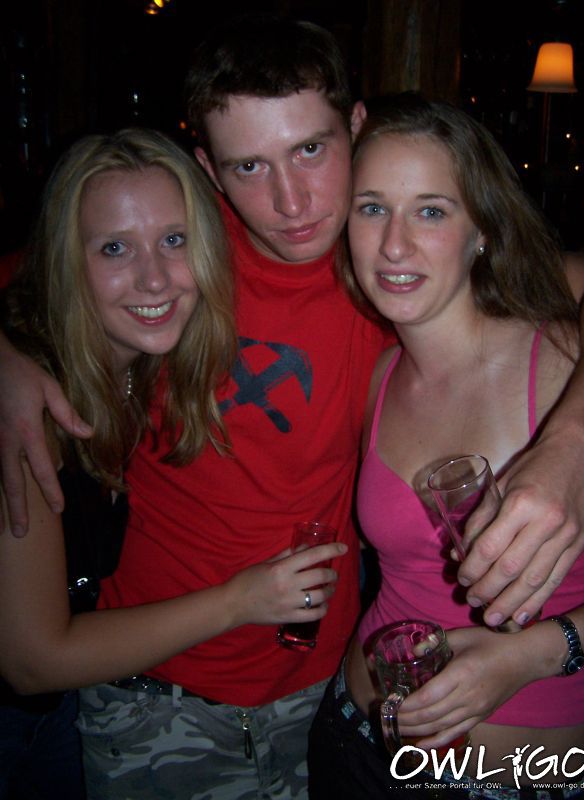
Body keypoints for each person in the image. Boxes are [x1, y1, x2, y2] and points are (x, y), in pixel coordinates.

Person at [0, 15, 584, 800]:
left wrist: (578, 440)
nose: (290, 201)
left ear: (355, 128)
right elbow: (47, 279)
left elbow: (583, 279)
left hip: (318, 699)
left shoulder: (395, 267)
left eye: (311, 149)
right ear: (210, 170)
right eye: (249, 165)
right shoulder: (174, 254)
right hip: (161, 702)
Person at [0, 127, 345, 800]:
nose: (154, 277)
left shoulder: (137, 366)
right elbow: (31, 660)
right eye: (115, 248)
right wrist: (241, 600)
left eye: (175, 240)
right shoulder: (31, 414)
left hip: (73, 712)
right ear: (66, 261)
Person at [307, 94, 584, 799]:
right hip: (357, 740)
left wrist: (530, 656)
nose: (394, 245)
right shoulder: (379, 374)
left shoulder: (568, 364)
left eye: (431, 211)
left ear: (483, 233)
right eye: (372, 208)